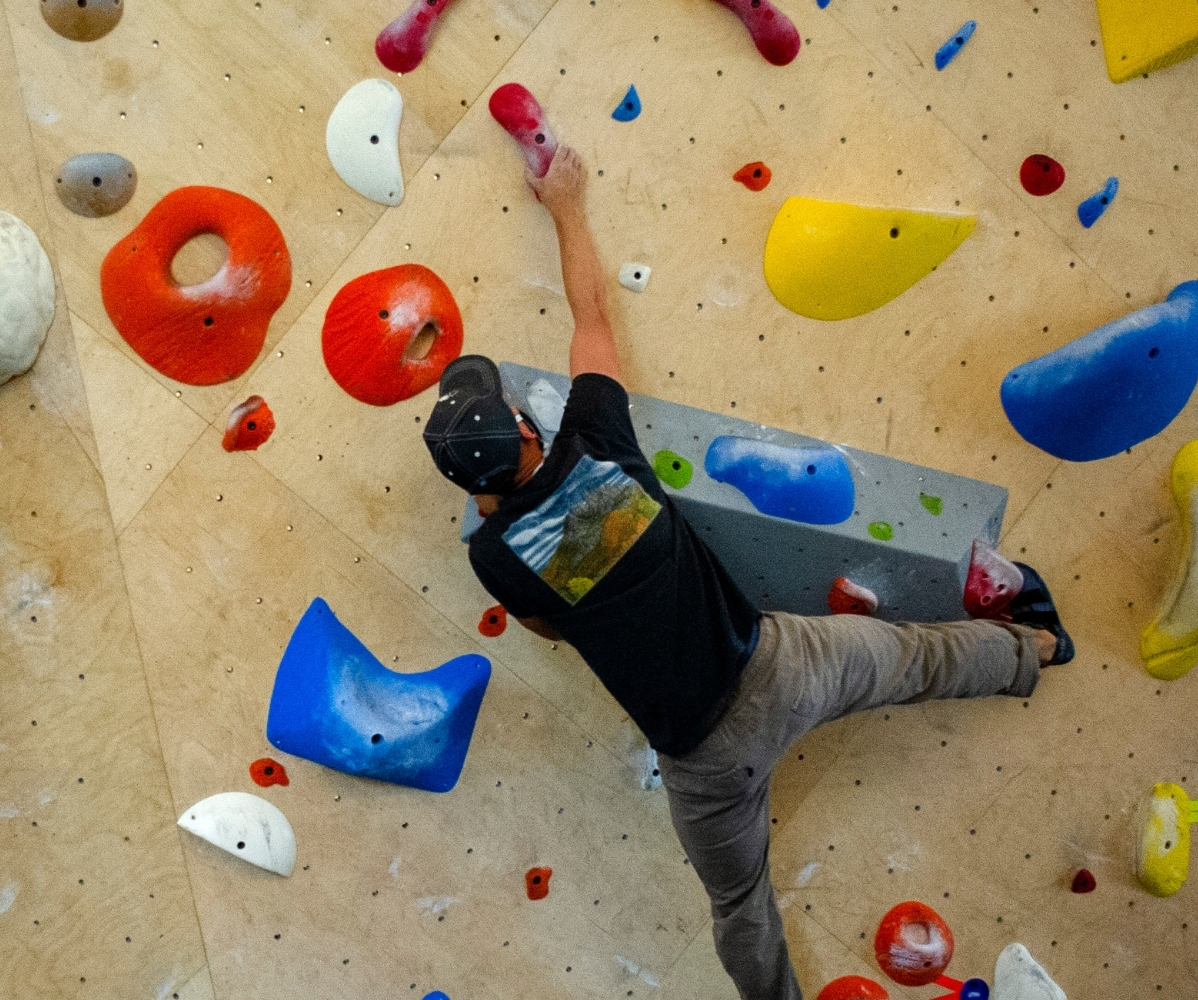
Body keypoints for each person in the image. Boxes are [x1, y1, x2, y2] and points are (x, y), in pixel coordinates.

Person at [422, 145, 1075, 1000]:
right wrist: (567, 207)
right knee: (918, 659)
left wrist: (506, 528)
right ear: (527, 426)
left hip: (704, 762)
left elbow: (549, 628)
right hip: (783, 665)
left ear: (476, 494)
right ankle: (1036, 650)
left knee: (740, 907)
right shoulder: (597, 442)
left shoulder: (495, 556)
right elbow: (591, 322)